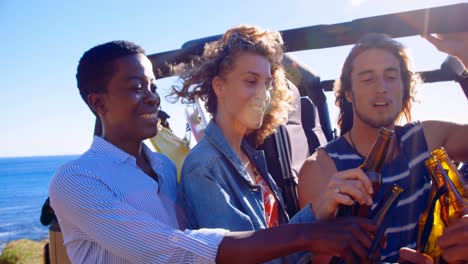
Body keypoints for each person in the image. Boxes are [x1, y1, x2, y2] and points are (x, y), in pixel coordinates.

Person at [49, 40, 378, 264]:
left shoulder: (163, 166)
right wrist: (308, 234)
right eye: (136, 88)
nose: (152, 97)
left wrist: (320, 211)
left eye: (152, 86)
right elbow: (171, 250)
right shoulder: (77, 181)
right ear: (98, 102)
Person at [298, 32, 468, 263]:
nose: (381, 88)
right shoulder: (321, 168)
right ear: (348, 92)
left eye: (391, 77)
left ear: (404, 87)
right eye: (367, 79)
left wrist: (464, 54)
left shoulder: (425, 137)